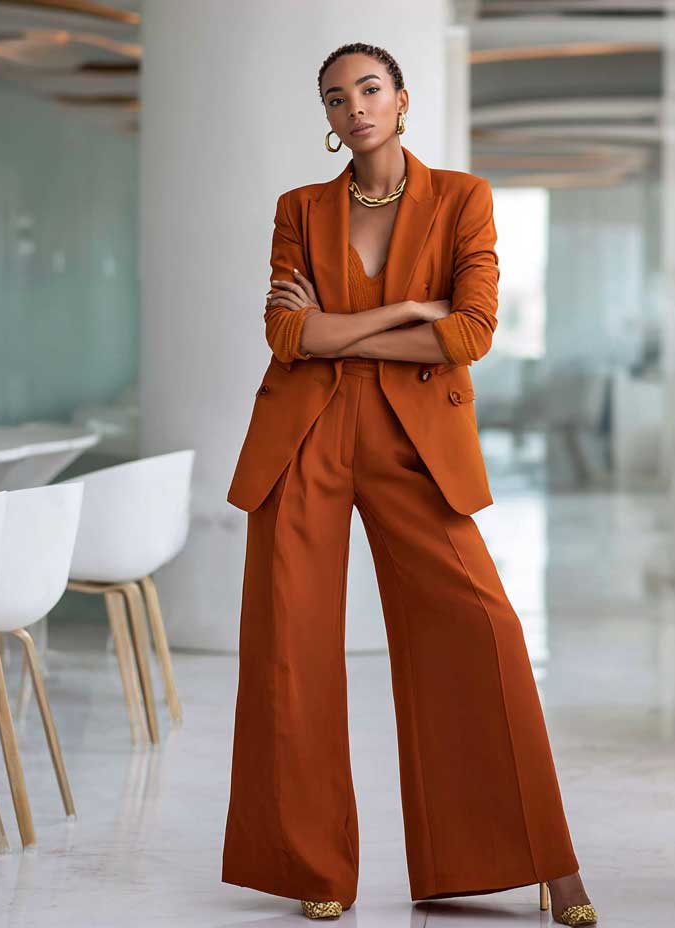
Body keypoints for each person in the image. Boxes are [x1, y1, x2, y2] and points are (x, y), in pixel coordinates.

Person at [221, 42, 597, 927]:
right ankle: (312, 864)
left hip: (414, 438)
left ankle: (543, 860)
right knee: (291, 648)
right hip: (303, 434)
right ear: (327, 117)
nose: (354, 107)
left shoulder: (462, 198)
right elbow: (287, 338)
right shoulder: (300, 208)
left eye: (369, 89)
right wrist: (402, 310)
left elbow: (469, 334)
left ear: (401, 99)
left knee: (484, 630)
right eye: (335, 97)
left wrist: (338, 325)